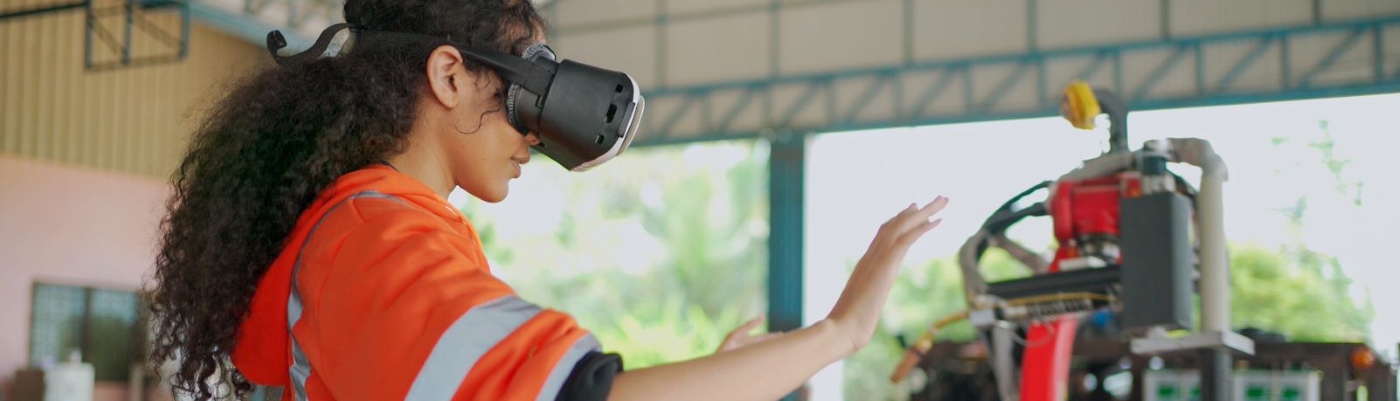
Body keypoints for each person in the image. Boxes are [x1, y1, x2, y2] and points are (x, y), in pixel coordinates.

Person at [147, 0, 949, 400]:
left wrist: (717, 374)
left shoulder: (378, 228)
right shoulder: (373, 237)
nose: (536, 135)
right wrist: (840, 332)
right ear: (450, 75)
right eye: (527, 87)